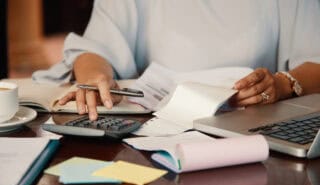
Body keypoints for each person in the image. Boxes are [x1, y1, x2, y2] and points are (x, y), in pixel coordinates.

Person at [33, 0, 320, 121]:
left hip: (252, 126)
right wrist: (96, 77)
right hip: (156, 127)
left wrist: (283, 85)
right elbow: (95, 49)